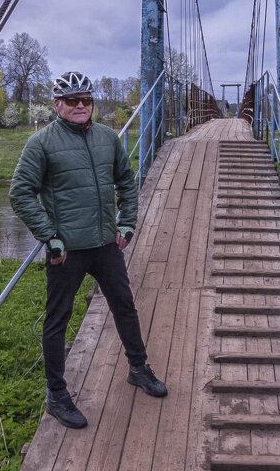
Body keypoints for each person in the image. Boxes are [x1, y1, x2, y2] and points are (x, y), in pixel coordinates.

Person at [10, 71, 168, 429]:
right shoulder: (41, 143)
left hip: (105, 243)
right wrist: (49, 236)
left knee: (124, 305)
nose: (80, 106)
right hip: (66, 250)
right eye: (72, 100)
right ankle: (57, 395)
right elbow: (20, 192)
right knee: (57, 320)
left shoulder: (107, 138)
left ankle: (139, 368)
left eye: (86, 99)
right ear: (57, 105)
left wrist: (127, 222)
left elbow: (127, 182)